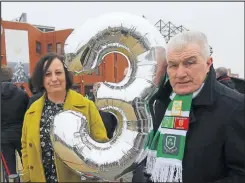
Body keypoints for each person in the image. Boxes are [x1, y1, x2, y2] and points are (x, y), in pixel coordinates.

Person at [132, 31, 244, 183]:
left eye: (189, 63)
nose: (180, 73)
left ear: (208, 63)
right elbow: (144, 157)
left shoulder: (235, 107)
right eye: (173, 65)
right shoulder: (159, 103)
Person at [21, 52, 109, 182]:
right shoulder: (32, 111)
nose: (54, 79)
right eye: (48, 74)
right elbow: (25, 147)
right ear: (41, 79)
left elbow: (101, 143)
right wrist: (27, 176)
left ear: (66, 75)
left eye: (58, 73)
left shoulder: (87, 107)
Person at [1, 66, 29, 178]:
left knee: (9, 171)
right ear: (11, 77)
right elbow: (28, 113)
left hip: (3, 136)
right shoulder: (22, 94)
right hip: (21, 134)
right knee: (27, 165)